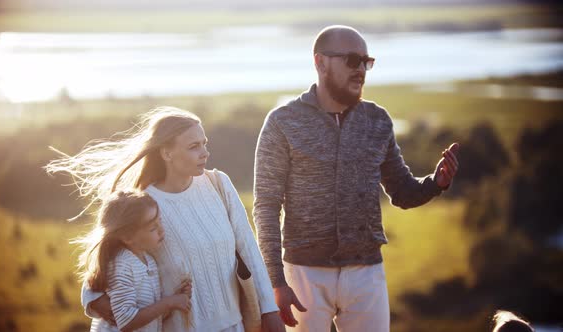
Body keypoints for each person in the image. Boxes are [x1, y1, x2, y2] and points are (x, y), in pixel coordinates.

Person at [253, 25, 459, 332]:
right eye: (352, 60)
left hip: (366, 273)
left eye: (366, 61)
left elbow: (401, 192)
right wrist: (276, 282)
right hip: (303, 274)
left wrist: (435, 183)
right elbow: (266, 208)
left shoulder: (378, 120)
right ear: (320, 62)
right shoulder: (283, 122)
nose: (361, 69)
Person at [46, 107, 284, 332]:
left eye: (204, 144)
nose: (205, 152)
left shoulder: (219, 185)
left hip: (235, 325)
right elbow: (109, 255)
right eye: (193, 146)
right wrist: (94, 297)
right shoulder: (143, 205)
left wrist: (269, 309)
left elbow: (248, 248)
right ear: (166, 152)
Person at [76, 190, 192, 332]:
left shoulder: (148, 261)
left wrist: (176, 297)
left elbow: (149, 317)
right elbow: (127, 322)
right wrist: (169, 303)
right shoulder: (122, 264)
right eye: (153, 228)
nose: (162, 230)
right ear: (127, 237)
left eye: (160, 221)